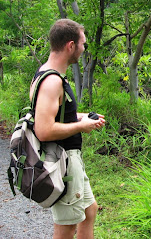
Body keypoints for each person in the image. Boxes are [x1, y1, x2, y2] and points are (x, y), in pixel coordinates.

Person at [30, 19, 106, 239]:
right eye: (83, 44)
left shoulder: (50, 74)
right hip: (63, 162)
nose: (83, 49)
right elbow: (44, 129)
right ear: (71, 45)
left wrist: (81, 117)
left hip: (72, 159)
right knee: (66, 228)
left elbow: (54, 114)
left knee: (89, 211)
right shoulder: (52, 81)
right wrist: (81, 126)